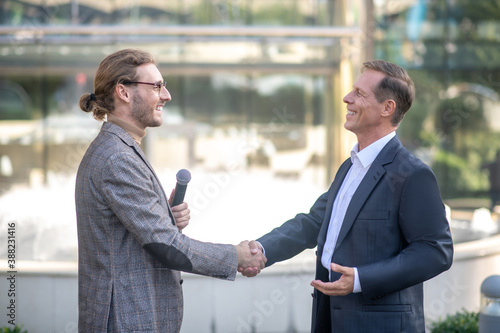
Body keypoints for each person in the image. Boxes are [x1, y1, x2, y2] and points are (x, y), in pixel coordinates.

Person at [241, 60, 454, 332]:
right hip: (330, 320)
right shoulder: (350, 166)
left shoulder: (412, 175)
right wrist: (262, 249)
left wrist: (360, 279)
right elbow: (313, 222)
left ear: (387, 108)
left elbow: (436, 251)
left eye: (359, 93)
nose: (346, 98)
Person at [75, 48, 266, 332]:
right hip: (127, 321)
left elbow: (130, 234)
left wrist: (161, 215)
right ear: (124, 92)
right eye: (157, 86)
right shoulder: (117, 158)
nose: (167, 95)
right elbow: (165, 245)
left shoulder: (118, 148)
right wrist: (235, 256)